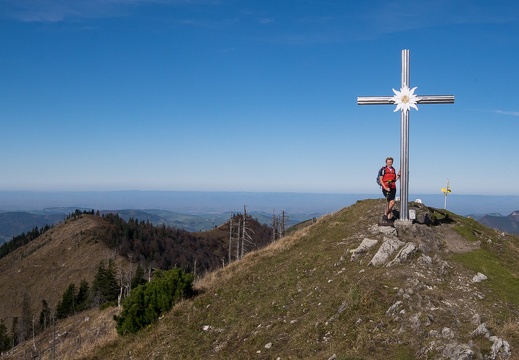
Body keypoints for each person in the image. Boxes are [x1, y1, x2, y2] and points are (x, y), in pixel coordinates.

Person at [379, 157, 400, 221]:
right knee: (392, 202)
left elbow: (394, 180)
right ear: (386, 162)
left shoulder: (393, 169)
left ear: (392, 162)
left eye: (390, 162)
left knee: (389, 203)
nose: (389, 163)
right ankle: (385, 214)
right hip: (386, 187)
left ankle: (388, 219)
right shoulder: (383, 169)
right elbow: (381, 180)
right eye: (388, 162)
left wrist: (398, 175)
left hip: (393, 187)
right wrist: (385, 187)